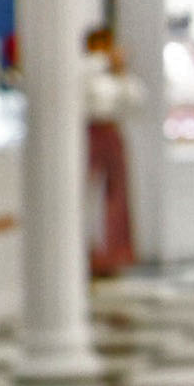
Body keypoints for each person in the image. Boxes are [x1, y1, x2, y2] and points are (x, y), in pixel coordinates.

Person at [83, 26, 141, 278]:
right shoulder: (86, 70)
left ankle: (113, 253)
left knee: (116, 193)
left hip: (111, 131)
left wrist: (120, 71)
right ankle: (88, 251)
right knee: (86, 194)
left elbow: (135, 101)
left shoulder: (116, 76)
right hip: (88, 132)